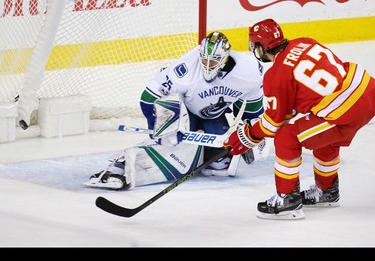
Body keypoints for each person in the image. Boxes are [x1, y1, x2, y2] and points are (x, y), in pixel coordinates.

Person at [224, 18, 375, 220]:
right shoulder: (305, 41)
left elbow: (272, 124)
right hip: (366, 89)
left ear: (260, 47)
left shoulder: (276, 75)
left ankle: (287, 200)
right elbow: (300, 100)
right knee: (324, 137)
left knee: (287, 138)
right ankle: (326, 191)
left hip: (344, 111)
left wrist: (247, 135)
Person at [83, 31, 266, 190]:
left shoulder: (249, 70)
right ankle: (119, 167)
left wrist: (251, 130)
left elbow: (252, 102)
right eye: (204, 59)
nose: (208, 65)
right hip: (183, 109)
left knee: (221, 167)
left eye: (214, 61)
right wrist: (158, 128)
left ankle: (202, 153)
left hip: (213, 114)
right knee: (169, 143)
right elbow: (148, 98)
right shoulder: (184, 71)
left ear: (225, 57)